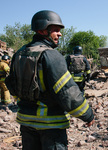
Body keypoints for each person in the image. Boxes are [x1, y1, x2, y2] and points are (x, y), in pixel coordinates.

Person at [5, 10, 94, 150]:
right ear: (42, 30)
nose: (60, 34)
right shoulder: (51, 55)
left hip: (26, 123)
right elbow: (67, 92)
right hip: (50, 126)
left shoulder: (18, 54)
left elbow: (12, 84)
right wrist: (87, 114)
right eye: (56, 30)